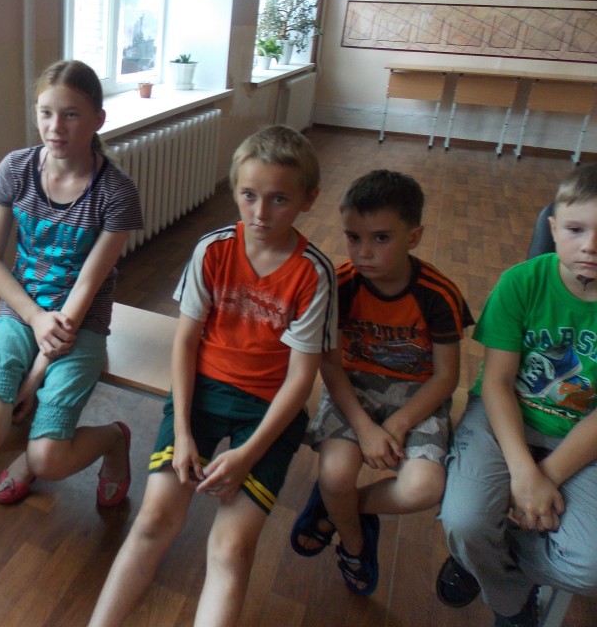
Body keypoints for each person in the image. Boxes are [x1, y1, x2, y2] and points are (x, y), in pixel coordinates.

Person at [88, 125, 336, 627]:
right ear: (234, 190)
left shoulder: (314, 273)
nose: (260, 213)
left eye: (279, 199)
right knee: (153, 521)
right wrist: (182, 433)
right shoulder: (214, 248)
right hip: (201, 397)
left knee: (231, 549)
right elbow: (185, 342)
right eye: (249, 195)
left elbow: (300, 380)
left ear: (308, 199)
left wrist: (248, 455)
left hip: (268, 411)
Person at [0, 59, 143, 507]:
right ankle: (35, 446)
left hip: (79, 322)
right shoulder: (16, 168)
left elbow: (86, 288)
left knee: (48, 460)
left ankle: (112, 438)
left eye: (71, 114)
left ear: (98, 119)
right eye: (45, 112)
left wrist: (34, 378)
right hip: (23, 311)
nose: (55, 127)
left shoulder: (116, 192)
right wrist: (33, 317)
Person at [290, 170, 473, 596]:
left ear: (414, 237)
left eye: (381, 238)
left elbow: (446, 376)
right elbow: (331, 365)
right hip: (352, 390)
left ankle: (337, 511)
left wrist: (397, 424)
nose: (363, 252)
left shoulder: (439, 294)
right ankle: (355, 544)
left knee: (424, 488)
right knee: (335, 475)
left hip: (417, 397)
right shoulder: (339, 285)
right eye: (353, 237)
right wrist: (366, 427)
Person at [436, 165, 597, 627]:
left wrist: (545, 476)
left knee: (589, 567)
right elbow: (497, 383)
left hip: (578, 437)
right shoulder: (520, 283)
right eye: (576, 229)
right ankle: (508, 597)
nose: (590, 246)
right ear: (553, 228)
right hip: (503, 417)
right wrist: (524, 472)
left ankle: (479, 559)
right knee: (464, 521)